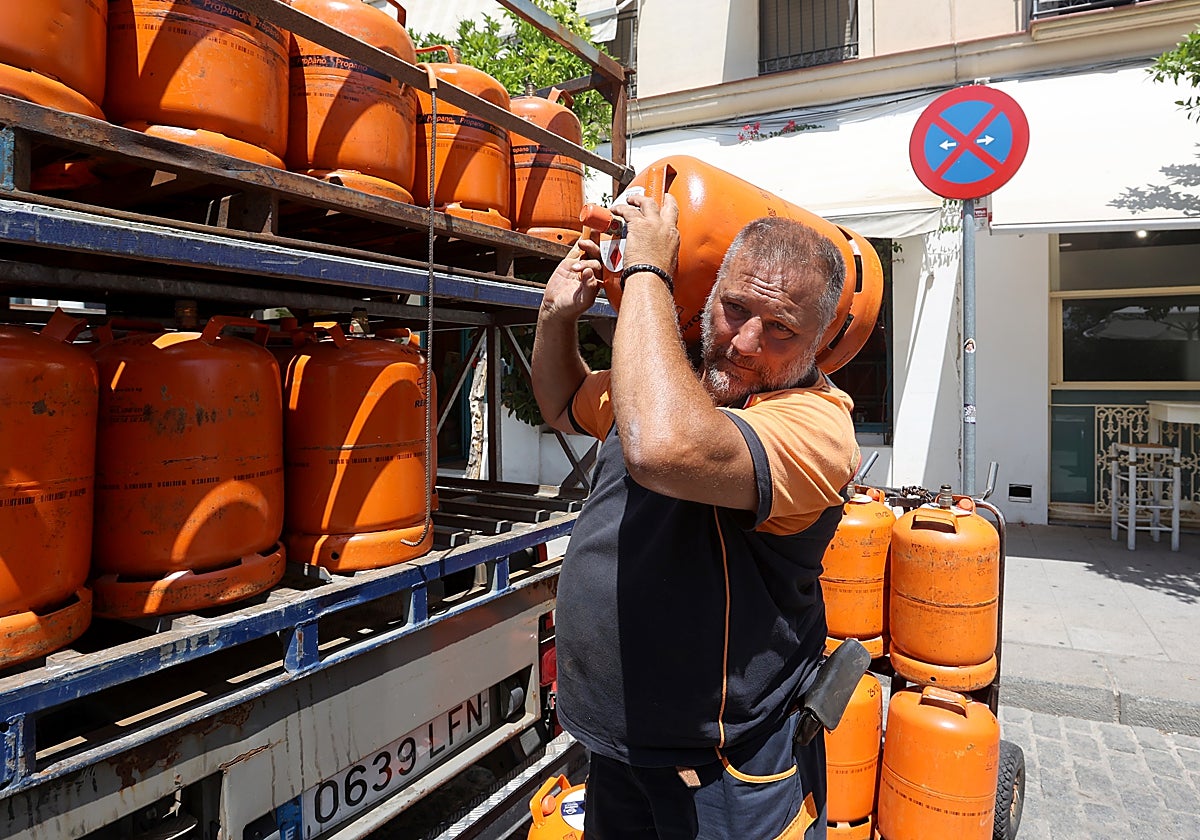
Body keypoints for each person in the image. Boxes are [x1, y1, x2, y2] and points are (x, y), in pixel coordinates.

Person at [531, 191, 860, 840]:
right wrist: (554, 317)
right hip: (621, 741)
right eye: (735, 308)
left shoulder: (819, 426)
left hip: (725, 766)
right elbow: (566, 399)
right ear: (710, 296)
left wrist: (646, 270)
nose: (742, 343)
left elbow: (663, 445)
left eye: (780, 330)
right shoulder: (673, 384)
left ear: (817, 342)